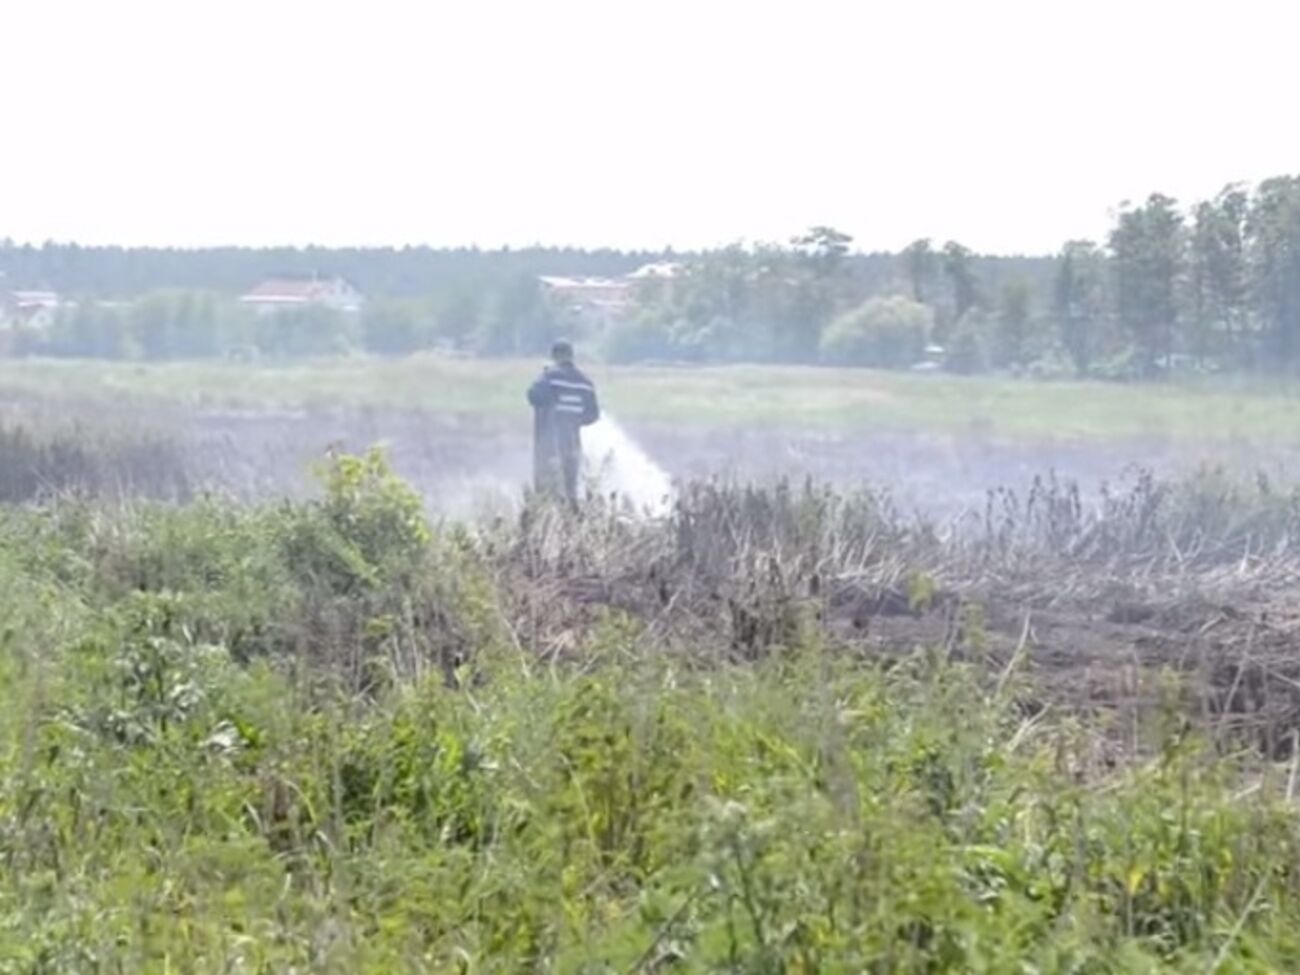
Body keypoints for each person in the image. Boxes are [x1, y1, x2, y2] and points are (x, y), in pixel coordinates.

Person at [527, 338, 600, 504]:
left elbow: (533, 396)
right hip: (573, 442)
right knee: (571, 487)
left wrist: (543, 374)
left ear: (554, 356)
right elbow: (593, 415)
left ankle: (546, 521)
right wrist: (574, 422)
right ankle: (571, 519)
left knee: (546, 487)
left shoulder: (550, 377)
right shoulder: (585, 382)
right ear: (571, 356)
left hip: (549, 443)